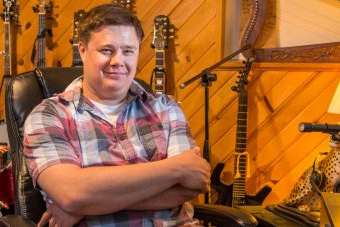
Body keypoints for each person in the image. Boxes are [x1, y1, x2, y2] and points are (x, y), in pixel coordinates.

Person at [23, 4, 210, 226]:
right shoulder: (48, 116)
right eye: (107, 50)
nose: (118, 61)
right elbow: (72, 193)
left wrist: (87, 206)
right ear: (82, 50)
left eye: (128, 51)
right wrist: (178, 168)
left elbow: (188, 187)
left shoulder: (166, 109)